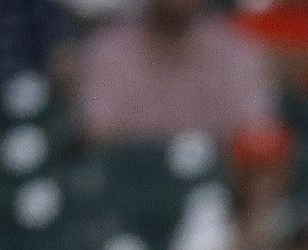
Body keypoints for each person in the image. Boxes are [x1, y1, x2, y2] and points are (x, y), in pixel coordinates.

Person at [76, 0, 277, 143]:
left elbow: (255, 135)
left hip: (216, 193)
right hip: (127, 192)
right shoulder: (108, 51)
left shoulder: (236, 51)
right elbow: (100, 140)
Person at [163, 123, 299, 250]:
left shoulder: (295, 217)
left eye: (273, 172)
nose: (264, 182)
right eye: (254, 172)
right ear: (237, 173)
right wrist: (241, 247)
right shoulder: (209, 209)